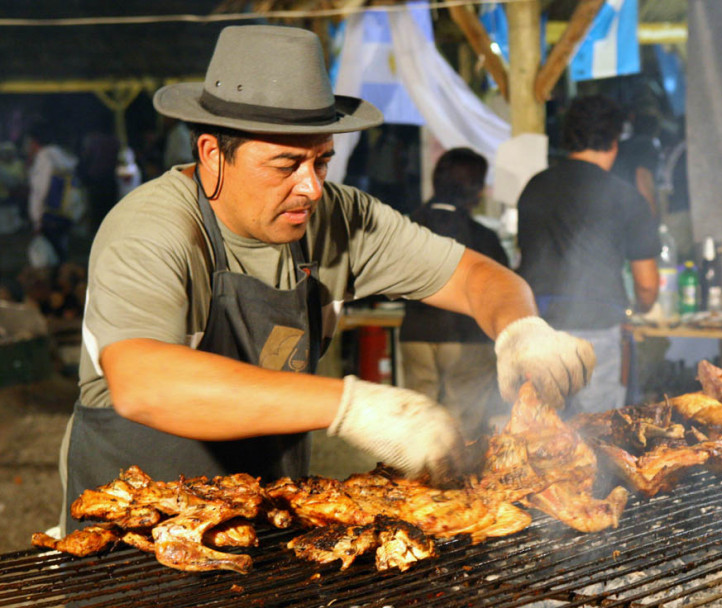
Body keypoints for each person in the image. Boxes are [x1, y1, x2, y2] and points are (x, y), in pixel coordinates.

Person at [59, 25, 596, 533]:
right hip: (135, 531)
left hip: (263, 525)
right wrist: (353, 406)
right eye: (286, 164)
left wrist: (521, 330)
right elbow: (142, 380)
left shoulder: (338, 217)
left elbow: (476, 274)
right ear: (211, 156)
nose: (312, 188)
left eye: (322, 162)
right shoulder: (151, 228)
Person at [516, 94, 660, 416]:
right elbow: (647, 284)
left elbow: (524, 256)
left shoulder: (535, 187)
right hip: (600, 329)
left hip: (540, 328)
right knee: (597, 430)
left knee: (542, 432)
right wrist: (642, 307)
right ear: (614, 141)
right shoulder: (626, 197)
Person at [400, 148, 510, 440]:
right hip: (466, 338)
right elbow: (503, 285)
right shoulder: (482, 237)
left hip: (416, 334)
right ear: (474, 189)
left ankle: (416, 481)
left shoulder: (406, 227)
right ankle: (453, 483)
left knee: (417, 417)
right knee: (460, 424)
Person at [25, 121, 83, 264]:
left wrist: (37, 220)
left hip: (49, 215)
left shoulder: (44, 158)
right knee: (61, 250)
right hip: (66, 214)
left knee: (49, 257)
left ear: (34, 142)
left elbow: (40, 190)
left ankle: (55, 282)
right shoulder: (62, 156)